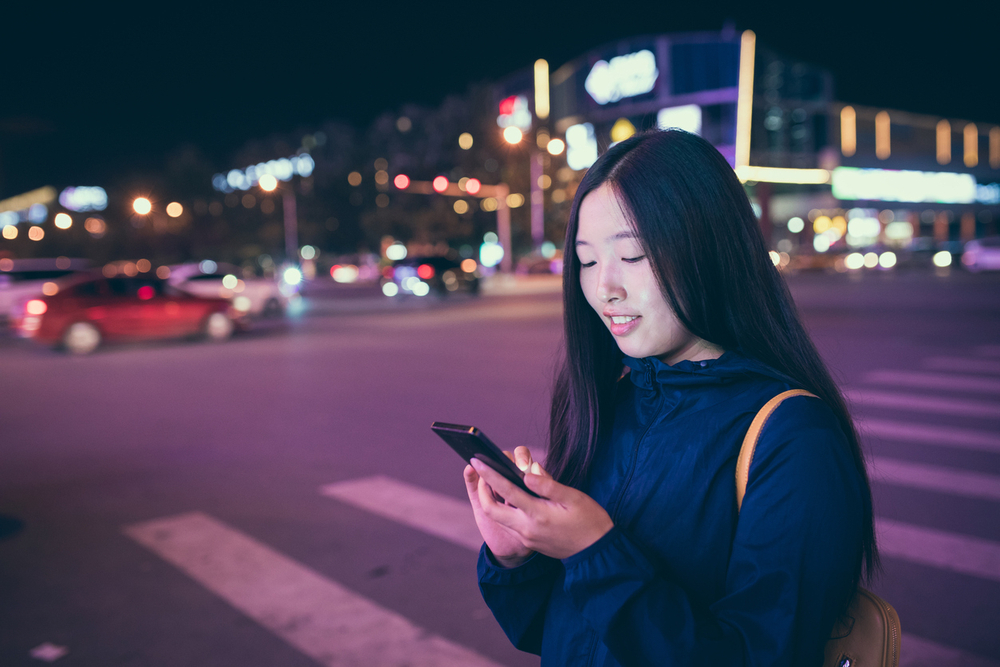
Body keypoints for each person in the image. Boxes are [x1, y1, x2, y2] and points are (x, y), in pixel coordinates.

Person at [463, 129, 877, 666]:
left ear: (708, 248)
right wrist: (516, 557)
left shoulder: (793, 437)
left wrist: (596, 553)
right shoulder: (609, 402)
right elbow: (557, 633)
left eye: (633, 255)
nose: (604, 286)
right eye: (587, 261)